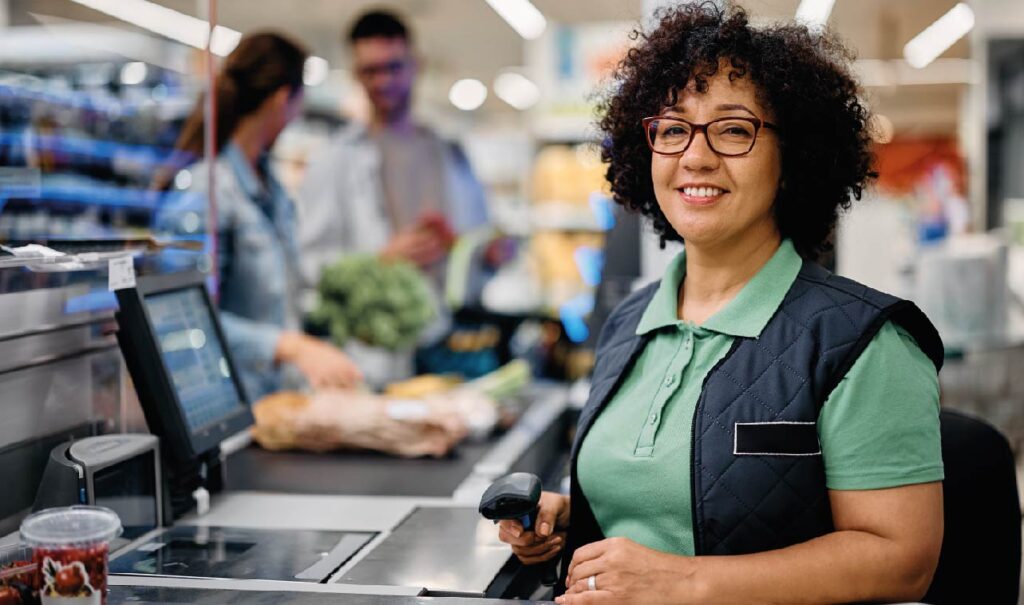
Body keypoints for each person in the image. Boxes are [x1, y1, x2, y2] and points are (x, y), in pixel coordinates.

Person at [497, 5, 946, 604]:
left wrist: (682, 583)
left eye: (734, 129)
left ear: (794, 157)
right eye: (674, 128)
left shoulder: (861, 342)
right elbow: (673, 498)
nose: (696, 157)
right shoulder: (631, 323)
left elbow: (902, 558)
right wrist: (571, 520)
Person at [157, 32, 362, 401]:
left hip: (272, 404)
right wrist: (289, 347)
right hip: (226, 407)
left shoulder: (272, 189)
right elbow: (183, 315)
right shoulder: (208, 191)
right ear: (284, 98)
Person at [296, 9, 489, 290]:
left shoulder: (448, 152)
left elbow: (476, 235)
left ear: (416, 66)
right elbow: (310, 264)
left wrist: (489, 254)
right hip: (374, 327)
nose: (383, 82)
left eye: (394, 68)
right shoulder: (334, 160)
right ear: (356, 75)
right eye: (370, 71)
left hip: (451, 325)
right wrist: (379, 261)